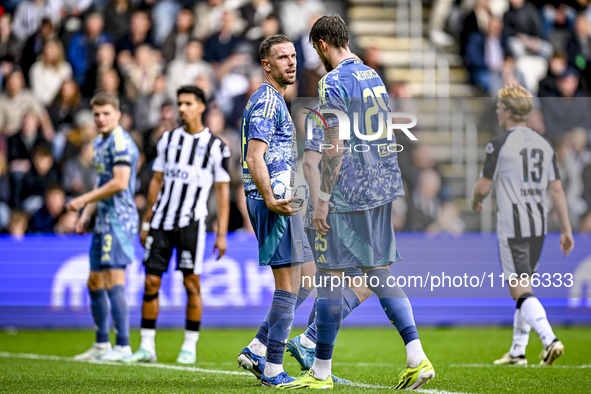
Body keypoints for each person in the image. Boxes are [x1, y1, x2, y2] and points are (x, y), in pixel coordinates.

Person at [279, 15, 434, 390]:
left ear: (320, 46)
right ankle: (417, 357)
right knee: (379, 273)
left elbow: (335, 145)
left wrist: (322, 200)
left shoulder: (333, 81)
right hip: (383, 185)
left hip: (350, 190)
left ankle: (319, 374)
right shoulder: (372, 75)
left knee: (331, 279)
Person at [122, 86, 231, 365]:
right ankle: (147, 346)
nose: (182, 108)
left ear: (201, 107)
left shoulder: (217, 147)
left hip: (191, 224)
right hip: (160, 221)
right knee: (150, 280)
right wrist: (146, 219)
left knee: (191, 283)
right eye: (179, 103)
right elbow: (156, 181)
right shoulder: (167, 140)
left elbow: (222, 192)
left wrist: (221, 234)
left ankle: (189, 346)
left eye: (188, 103)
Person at [471, 84, 574, 366]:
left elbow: (483, 185)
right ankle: (518, 351)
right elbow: (557, 190)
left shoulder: (499, 143)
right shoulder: (544, 144)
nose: (497, 112)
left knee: (519, 289)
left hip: (513, 225)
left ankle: (550, 339)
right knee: (525, 285)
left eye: (498, 108)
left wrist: (476, 200)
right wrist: (566, 229)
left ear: (506, 111)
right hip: (538, 226)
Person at [235, 34, 313, 387]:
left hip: (282, 198)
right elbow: (254, 156)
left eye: (293, 55)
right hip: (273, 201)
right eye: (282, 57)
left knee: (307, 277)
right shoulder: (267, 101)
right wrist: (269, 197)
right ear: (267, 65)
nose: (291, 62)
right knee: (289, 284)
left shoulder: (276, 100)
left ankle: (257, 347)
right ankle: (272, 368)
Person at [66, 91, 140, 361]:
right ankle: (101, 344)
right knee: (94, 281)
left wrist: (83, 199)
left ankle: (122, 345)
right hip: (103, 220)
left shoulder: (121, 142)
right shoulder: (99, 142)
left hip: (120, 220)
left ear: (118, 114)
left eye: (106, 113)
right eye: (96, 114)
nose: (101, 118)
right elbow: (102, 181)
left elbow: (120, 182)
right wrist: (87, 213)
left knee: (113, 280)